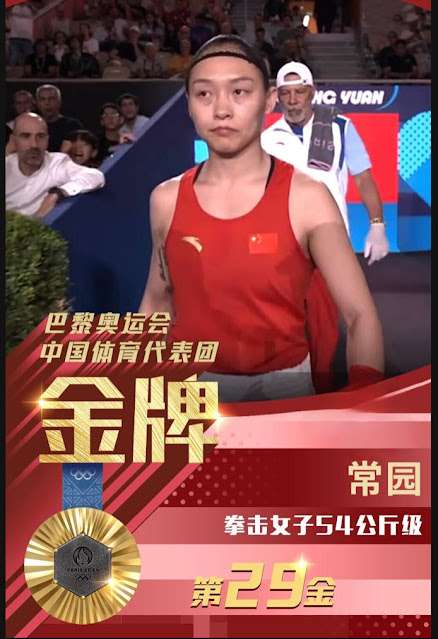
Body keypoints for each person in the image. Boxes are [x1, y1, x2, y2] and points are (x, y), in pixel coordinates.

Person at [138, 35, 384, 402]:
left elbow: (360, 315)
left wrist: (365, 394)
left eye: (239, 91)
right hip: (190, 385)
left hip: (284, 385)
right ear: (188, 103)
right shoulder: (166, 198)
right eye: (204, 94)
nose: (222, 109)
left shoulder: (308, 197)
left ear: (267, 100)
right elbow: (157, 302)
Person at [261, 61, 389, 392]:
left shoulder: (339, 127)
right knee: (283, 323)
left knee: (326, 327)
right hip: (284, 245)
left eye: (299, 92)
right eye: (286, 93)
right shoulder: (266, 139)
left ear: (312, 92)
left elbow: (363, 178)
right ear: (277, 97)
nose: (293, 100)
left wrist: (377, 225)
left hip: (329, 244)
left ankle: (329, 392)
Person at [6, 113, 104, 219]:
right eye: (25, 136)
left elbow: (95, 176)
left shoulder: (57, 163)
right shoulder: (7, 166)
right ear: (14, 140)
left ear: (47, 140)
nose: (34, 144)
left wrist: (57, 194)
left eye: (40, 136)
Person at [35, 84, 83, 152]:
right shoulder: (32, 126)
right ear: (37, 103)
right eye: (43, 99)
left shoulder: (72, 126)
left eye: (51, 99)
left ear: (59, 102)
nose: (47, 103)